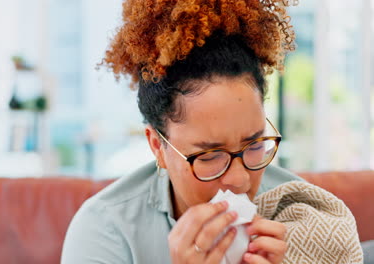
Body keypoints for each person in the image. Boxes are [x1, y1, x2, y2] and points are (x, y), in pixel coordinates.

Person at [61, 0, 363, 263]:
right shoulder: (105, 232)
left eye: (254, 144)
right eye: (209, 156)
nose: (240, 180)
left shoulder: (300, 213)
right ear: (157, 146)